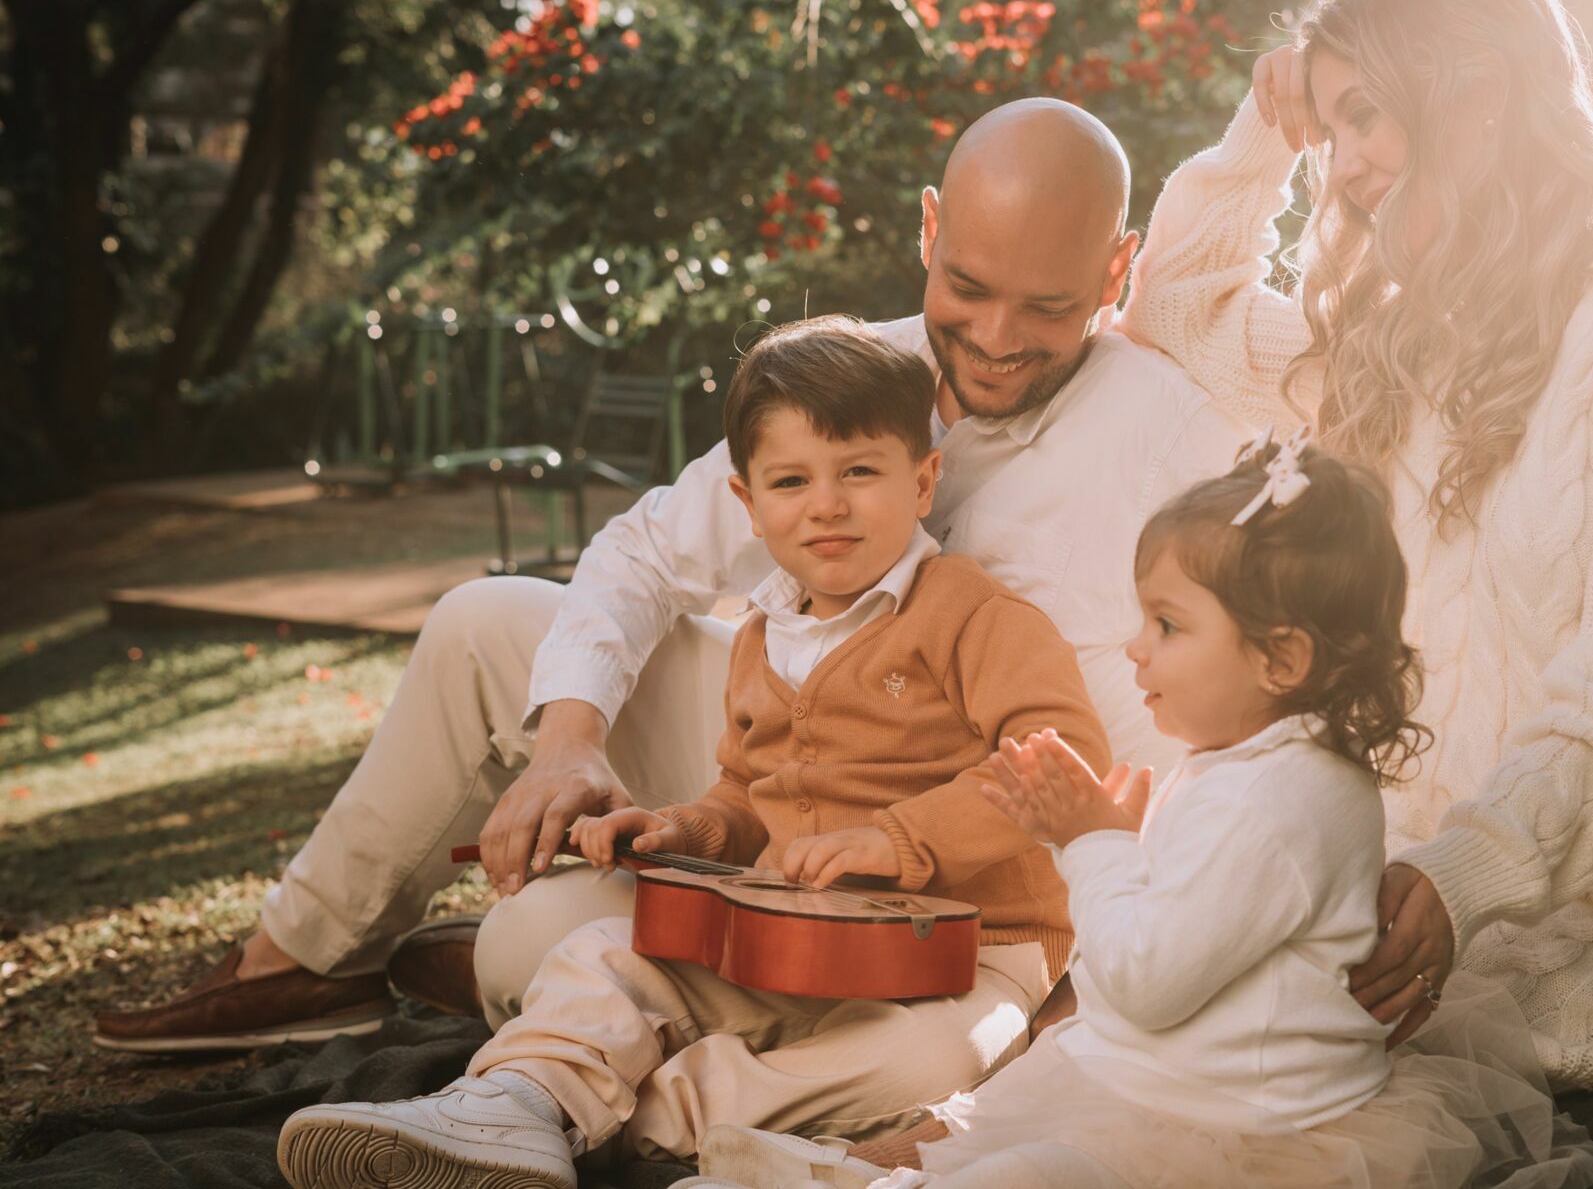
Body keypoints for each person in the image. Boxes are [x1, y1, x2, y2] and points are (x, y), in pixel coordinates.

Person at [94, 98, 1244, 1052]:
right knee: (485, 616)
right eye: (968, 286)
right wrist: (570, 741)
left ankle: (544, 960)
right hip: (770, 771)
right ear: (929, 231)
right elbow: (644, 548)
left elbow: (1214, 724)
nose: (994, 338)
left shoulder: (1178, 438)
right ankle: (299, 959)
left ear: (1119, 267)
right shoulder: (863, 367)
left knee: (519, 949)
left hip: (962, 846)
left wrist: (1098, 942)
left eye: (1048, 306)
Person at [1116, 0, 1593, 1092]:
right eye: (1334, 130)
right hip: (1411, 892)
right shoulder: (1409, 323)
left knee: (1178, 1047)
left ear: (1482, 99)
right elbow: (1177, 309)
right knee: (1125, 990)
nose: (1344, 165)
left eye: (1367, 118)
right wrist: (1269, 128)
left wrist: (1466, 875)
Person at [276, 316, 1115, 1187]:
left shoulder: (972, 614)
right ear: (749, 505)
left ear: (924, 478)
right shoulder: (761, 635)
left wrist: (898, 842)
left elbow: (1060, 757)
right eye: (791, 481)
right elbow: (749, 795)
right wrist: (685, 832)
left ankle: (639, 1129)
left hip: (974, 951)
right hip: (799, 932)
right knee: (604, 956)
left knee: (922, 1064)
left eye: (860, 472)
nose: (827, 504)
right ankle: (514, 1103)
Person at [682, 436, 1593, 1189]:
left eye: (1167, 625)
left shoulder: (1277, 804)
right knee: (1000, 1148)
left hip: (1234, 1136)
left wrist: (1092, 844)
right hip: (1163, 1085)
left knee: (1027, 1175)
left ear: (1278, 660)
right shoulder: (1263, 765)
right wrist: (1104, 839)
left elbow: (1147, 977)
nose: (1135, 645)